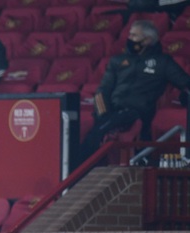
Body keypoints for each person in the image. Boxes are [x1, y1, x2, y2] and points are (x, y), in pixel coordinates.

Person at [76, 20, 190, 171]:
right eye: (129, 34)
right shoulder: (117, 61)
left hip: (139, 114)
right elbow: (102, 91)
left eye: (134, 35)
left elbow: (185, 83)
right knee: (93, 138)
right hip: (111, 115)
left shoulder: (163, 63)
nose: (129, 38)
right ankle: (76, 178)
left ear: (148, 40)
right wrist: (104, 116)